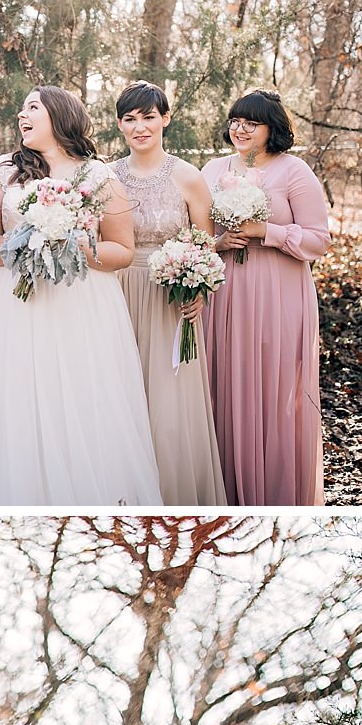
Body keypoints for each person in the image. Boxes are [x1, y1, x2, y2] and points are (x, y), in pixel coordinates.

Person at [0, 85, 163, 505]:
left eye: (33, 108)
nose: (22, 116)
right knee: (16, 403)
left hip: (83, 306)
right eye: (21, 109)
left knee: (79, 403)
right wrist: (30, 243)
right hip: (12, 305)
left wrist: (75, 245)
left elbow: (123, 251)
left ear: (60, 116)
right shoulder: (4, 172)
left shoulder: (98, 176)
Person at [202, 89, 331, 504]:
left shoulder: (294, 172)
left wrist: (266, 232)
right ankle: (224, 485)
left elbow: (318, 240)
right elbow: (196, 232)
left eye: (250, 123)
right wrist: (219, 242)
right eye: (236, 121)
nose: (239, 129)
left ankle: (272, 487)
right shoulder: (212, 169)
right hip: (224, 291)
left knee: (273, 389)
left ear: (271, 129)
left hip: (279, 293)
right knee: (222, 382)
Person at [109, 81, 228, 507]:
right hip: (117, 295)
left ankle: (170, 497)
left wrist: (198, 288)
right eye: (130, 119)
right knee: (121, 396)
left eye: (148, 116)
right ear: (120, 125)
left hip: (169, 298)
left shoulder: (188, 177)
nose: (140, 127)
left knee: (168, 406)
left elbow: (205, 243)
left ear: (165, 119)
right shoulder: (109, 176)